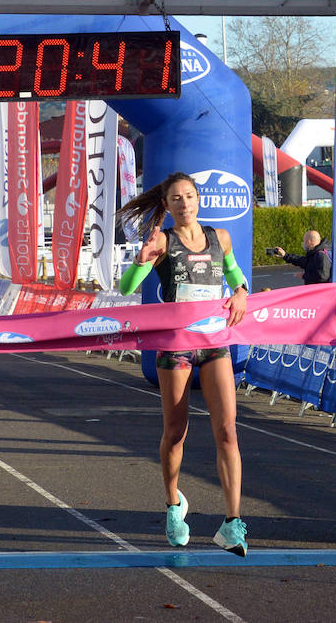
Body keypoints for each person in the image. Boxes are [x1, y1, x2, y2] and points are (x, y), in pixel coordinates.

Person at [117, 172, 249, 556]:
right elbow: (126, 288)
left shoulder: (219, 238)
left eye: (190, 196)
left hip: (213, 345)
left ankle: (232, 523)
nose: (185, 204)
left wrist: (241, 291)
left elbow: (236, 278)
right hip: (175, 347)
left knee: (227, 432)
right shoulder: (161, 240)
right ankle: (174, 506)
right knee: (176, 433)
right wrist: (141, 263)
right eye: (177, 199)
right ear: (168, 205)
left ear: (198, 199)